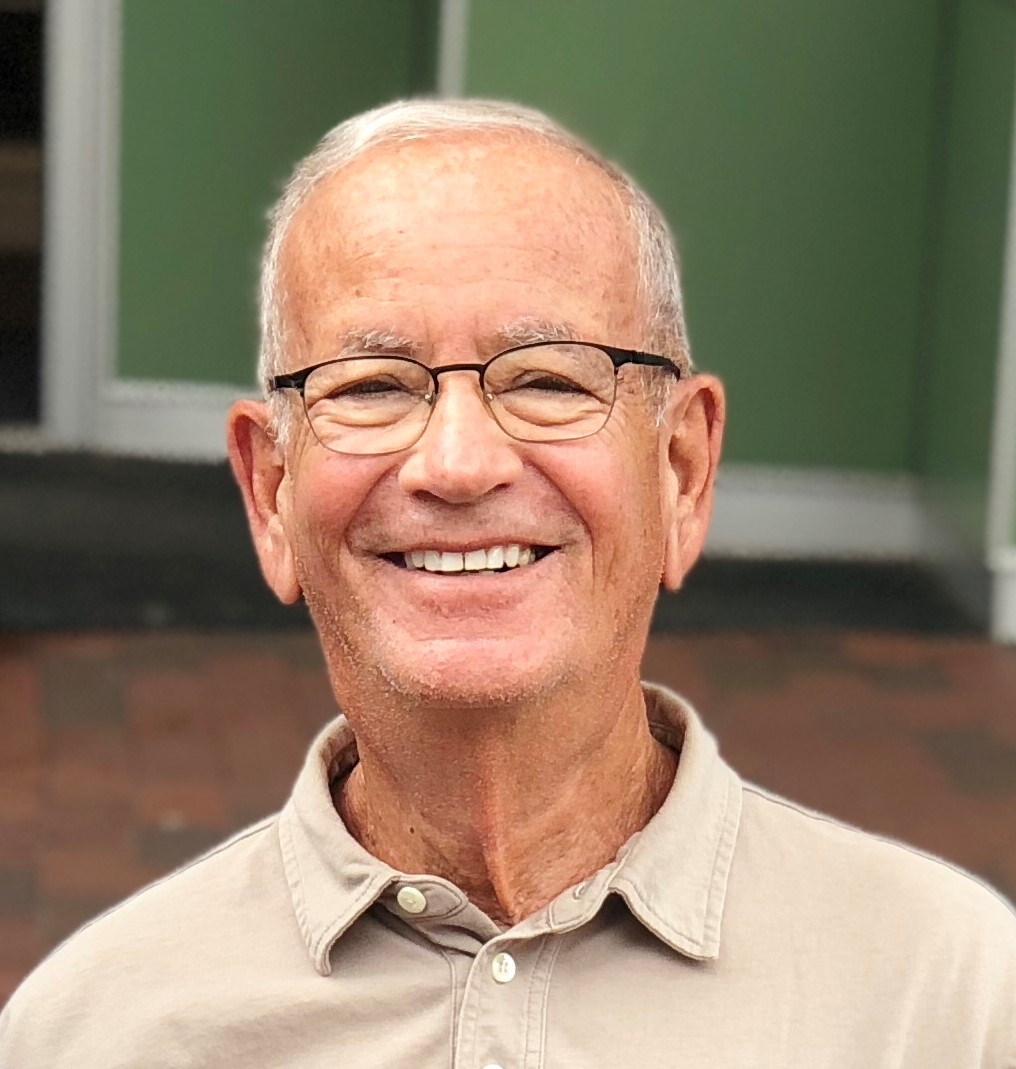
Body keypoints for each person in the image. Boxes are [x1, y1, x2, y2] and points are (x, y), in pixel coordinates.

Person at [2, 98, 1014, 1067]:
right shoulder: (94, 1034)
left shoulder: (948, 1000)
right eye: (372, 386)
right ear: (271, 492)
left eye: (547, 379)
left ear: (681, 471)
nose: (455, 463)